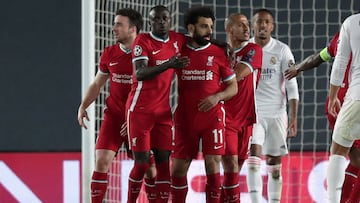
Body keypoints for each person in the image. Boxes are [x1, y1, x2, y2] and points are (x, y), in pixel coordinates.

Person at [77, 8, 146, 203]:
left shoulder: (147, 53)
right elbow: (98, 83)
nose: (113, 28)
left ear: (133, 29)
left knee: (149, 168)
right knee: (101, 161)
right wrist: (83, 105)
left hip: (139, 118)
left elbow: (156, 91)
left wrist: (136, 118)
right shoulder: (109, 53)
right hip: (114, 117)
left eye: (119, 24)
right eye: (114, 23)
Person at [170, 6, 238, 203]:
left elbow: (233, 87)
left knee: (213, 165)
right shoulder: (179, 49)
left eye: (210, 26)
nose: (209, 31)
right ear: (191, 28)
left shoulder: (218, 53)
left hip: (212, 117)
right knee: (178, 169)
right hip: (185, 118)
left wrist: (217, 97)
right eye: (203, 26)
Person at [284, 32, 360, 203]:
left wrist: (299, 67)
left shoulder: (344, 34)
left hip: (336, 103)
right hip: (351, 104)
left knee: (353, 159)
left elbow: (320, 56)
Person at [126, 5, 190, 203]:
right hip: (140, 111)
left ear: (170, 20)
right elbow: (140, 73)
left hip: (163, 112)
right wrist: (168, 64)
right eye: (157, 19)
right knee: (142, 164)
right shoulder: (142, 41)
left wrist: (222, 46)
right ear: (150, 21)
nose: (161, 22)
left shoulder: (177, 40)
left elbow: (198, 42)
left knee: (164, 164)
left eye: (165, 18)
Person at [246, 8, 299, 203]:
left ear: (272, 26)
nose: (262, 25)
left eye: (267, 22)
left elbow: (292, 86)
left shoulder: (282, 50)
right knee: (253, 156)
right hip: (253, 112)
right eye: (259, 22)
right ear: (253, 25)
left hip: (277, 113)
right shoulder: (246, 49)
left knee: (274, 162)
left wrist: (293, 117)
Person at [221, 13, 263, 203]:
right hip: (224, 117)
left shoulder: (254, 49)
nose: (247, 29)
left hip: (246, 118)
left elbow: (237, 75)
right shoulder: (218, 53)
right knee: (230, 166)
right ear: (229, 29)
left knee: (234, 171)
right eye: (241, 25)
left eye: (247, 25)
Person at [326, 13, 360, 203]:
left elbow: (339, 64)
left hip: (356, 96)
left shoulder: (351, 23)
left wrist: (333, 97)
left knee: (338, 151)